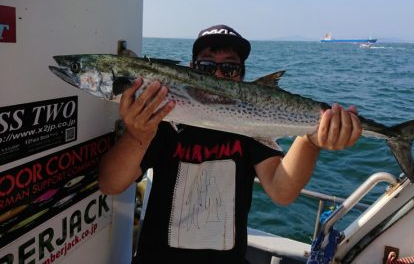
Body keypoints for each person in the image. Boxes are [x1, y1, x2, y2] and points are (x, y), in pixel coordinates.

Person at [98, 24, 362, 264]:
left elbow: (282, 191)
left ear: (241, 77)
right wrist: (136, 135)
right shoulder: (162, 121)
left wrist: (311, 139)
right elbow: (111, 183)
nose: (217, 75)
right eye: (206, 67)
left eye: (229, 68)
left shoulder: (250, 125)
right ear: (191, 70)